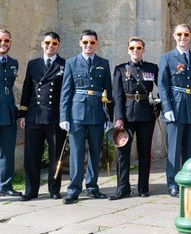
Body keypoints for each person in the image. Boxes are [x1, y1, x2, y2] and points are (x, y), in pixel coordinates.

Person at [59, 30, 113, 204]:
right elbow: (66, 92)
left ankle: (92, 186)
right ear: (80, 43)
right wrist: (63, 117)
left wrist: (109, 117)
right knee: (77, 153)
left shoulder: (103, 63)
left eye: (92, 43)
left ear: (96, 43)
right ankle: (74, 189)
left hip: (97, 115)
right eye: (85, 43)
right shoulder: (71, 63)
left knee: (95, 152)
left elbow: (108, 93)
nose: (88, 46)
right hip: (77, 115)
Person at [18, 32, 66, 200]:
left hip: (55, 117)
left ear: (58, 45)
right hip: (34, 116)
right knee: (31, 155)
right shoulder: (33, 64)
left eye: (54, 43)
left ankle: (54, 189)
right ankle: (31, 190)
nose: (50, 46)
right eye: (47, 42)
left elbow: (66, 94)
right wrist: (23, 114)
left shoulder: (64, 65)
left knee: (55, 156)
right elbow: (26, 90)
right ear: (42, 44)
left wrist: (65, 116)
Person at [158, 24, 191, 197]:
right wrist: (166, 107)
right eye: (179, 34)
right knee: (174, 149)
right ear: (174, 36)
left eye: (185, 34)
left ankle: (187, 180)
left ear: (190, 35)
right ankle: (172, 183)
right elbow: (162, 85)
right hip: (175, 108)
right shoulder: (167, 58)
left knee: (188, 148)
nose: (182, 37)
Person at [111, 37, 159, 199]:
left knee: (145, 152)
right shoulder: (120, 70)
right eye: (132, 48)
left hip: (146, 115)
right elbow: (117, 96)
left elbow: (164, 87)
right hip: (127, 116)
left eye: (138, 48)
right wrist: (118, 117)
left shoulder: (152, 68)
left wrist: (159, 104)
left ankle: (143, 188)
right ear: (128, 50)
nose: (135, 51)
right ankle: (122, 188)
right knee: (122, 152)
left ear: (143, 49)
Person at [0, 29, 21, 197]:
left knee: (8, 151)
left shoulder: (14, 62)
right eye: (1, 40)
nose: (3, 43)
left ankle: (6, 185)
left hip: (8, 112)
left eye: (7, 40)